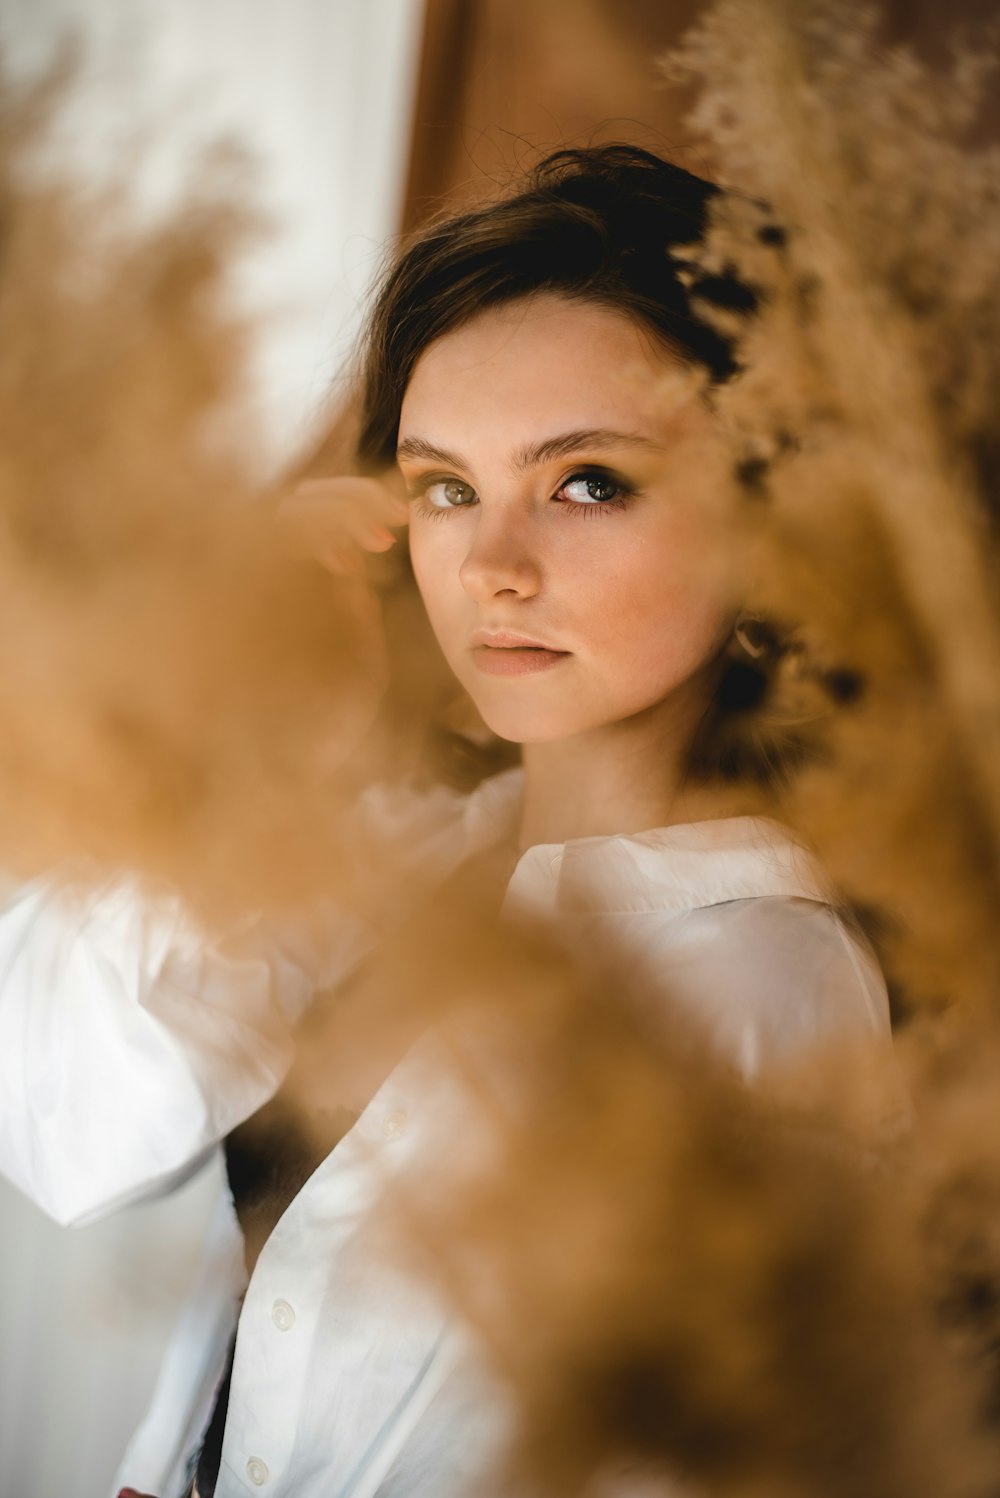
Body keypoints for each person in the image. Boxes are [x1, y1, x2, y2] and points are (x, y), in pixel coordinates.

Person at [0, 146, 890, 1498]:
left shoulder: (755, 990)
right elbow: (61, 1114)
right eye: (443, 488)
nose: (493, 567)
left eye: (590, 480)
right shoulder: (407, 847)